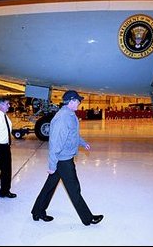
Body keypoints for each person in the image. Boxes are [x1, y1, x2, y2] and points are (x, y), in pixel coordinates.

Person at [31, 90, 103, 226]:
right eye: (77, 101)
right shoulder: (63, 117)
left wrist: (83, 142)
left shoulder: (69, 114)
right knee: (74, 189)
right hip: (63, 161)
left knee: (49, 186)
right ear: (71, 101)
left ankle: (37, 211)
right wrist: (52, 166)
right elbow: (55, 143)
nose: (79, 103)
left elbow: (72, 134)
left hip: (63, 159)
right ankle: (88, 218)